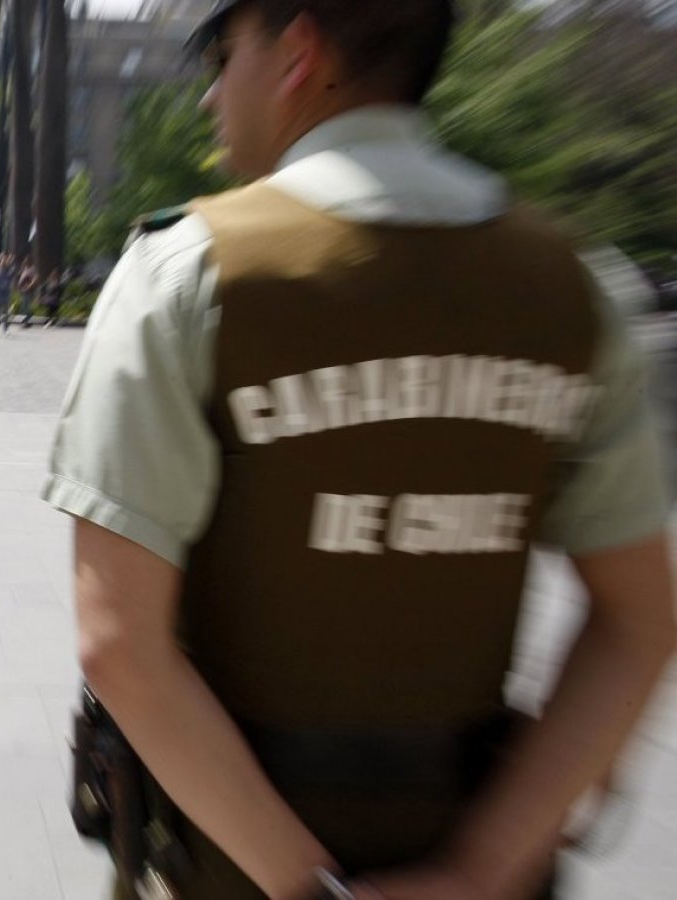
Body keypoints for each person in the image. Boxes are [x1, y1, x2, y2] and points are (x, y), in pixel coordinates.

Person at [45, 2, 676, 899]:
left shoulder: (184, 276)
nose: (212, 95)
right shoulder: (576, 286)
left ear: (298, 51)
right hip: (471, 840)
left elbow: (118, 642)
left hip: (228, 864)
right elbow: (640, 621)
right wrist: (476, 872)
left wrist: (316, 889)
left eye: (223, 56)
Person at [0, 253, 17, 336]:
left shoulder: (9, 270)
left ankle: (5, 329)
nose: (3, 261)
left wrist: (12, 261)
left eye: (5, 260)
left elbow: (14, 270)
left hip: (6, 294)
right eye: (2, 260)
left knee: (6, 313)